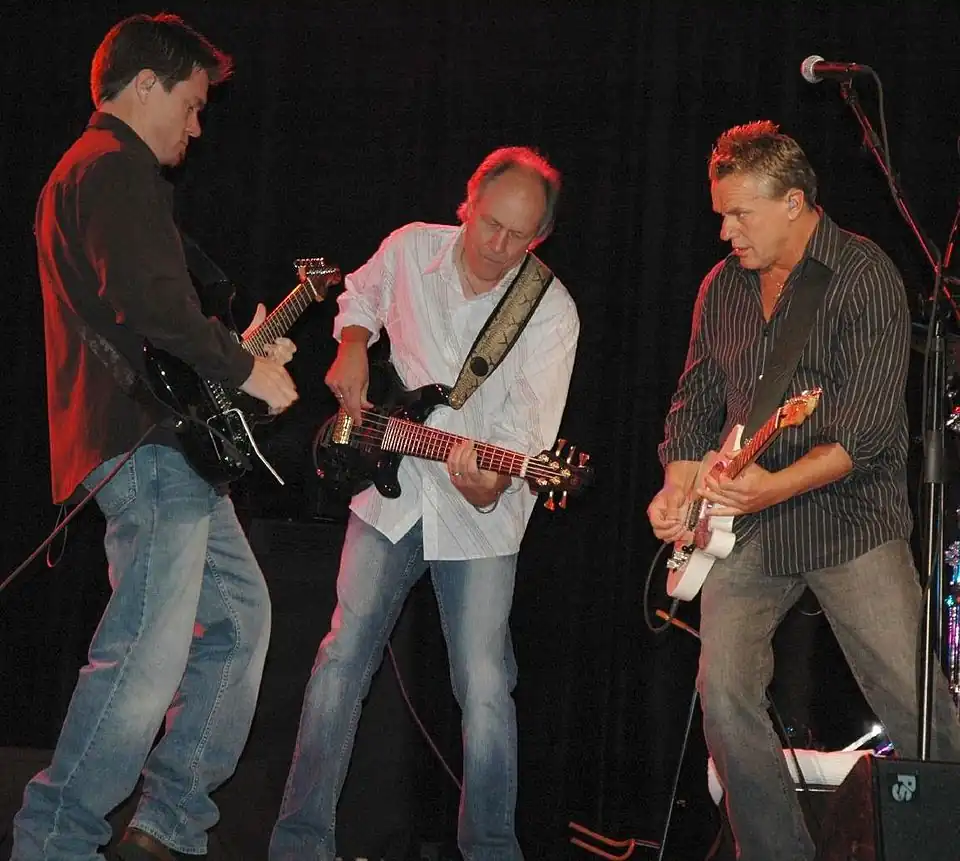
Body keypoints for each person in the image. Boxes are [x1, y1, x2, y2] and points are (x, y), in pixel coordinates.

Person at [13, 13, 298, 861]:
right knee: (146, 647)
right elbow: (149, 302)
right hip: (144, 444)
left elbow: (147, 317)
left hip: (153, 441)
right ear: (145, 86)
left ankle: (164, 826)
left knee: (239, 623)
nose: (197, 126)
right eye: (193, 103)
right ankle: (54, 839)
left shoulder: (89, 171)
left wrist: (231, 355)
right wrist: (246, 370)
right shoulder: (112, 166)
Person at [647, 120, 960, 861]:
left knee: (914, 703)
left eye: (739, 214)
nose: (724, 231)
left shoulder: (862, 273)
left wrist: (771, 487)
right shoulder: (722, 287)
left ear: (793, 203)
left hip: (848, 517)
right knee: (724, 697)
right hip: (747, 527)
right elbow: (694, 401)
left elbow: (866, 432)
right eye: (720, 214)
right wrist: (677, 482)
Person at [269, 147, 580, 860]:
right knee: (341, 658)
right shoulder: (411, 247)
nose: (498, 246)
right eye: (491, 224)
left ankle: (491, 851)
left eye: (519, 237)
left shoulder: (552, 311)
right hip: (389, 493)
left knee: (486, 686)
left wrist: (492, 479)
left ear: (540, 238)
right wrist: (352, 342)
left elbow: (525, 437)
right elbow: (360, 295)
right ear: (468, 203)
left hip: (478, 519)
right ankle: (300, 844)